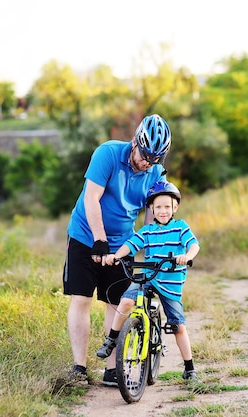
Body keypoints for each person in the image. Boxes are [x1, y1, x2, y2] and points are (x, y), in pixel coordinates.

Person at [63, 114, 172, 386]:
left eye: (154, 158)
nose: (147, 162)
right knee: (82, 298)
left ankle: (113, 370)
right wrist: (99, 240)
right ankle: (79, 368)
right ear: (135, 142)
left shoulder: (155, 173)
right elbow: (91, 198)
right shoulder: (108, 153)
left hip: (123, 242)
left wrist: (151, 251)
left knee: (116, 301)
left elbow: (150, 218)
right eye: (144, 155)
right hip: (85, 235)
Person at [96, 180, 201, 381]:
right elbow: (130, 245)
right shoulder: (147, 231)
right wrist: (116, 256)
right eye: (158, 207)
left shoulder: (180, 227)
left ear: (175, 207)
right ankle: (111, 339)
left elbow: (194, 245)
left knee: (178, 325)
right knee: (125, 301)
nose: (162, 211)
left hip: (170, 282)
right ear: (151, 208)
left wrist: (187, 256)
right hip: (148, 277)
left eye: (167, 207)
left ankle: (189, 368)